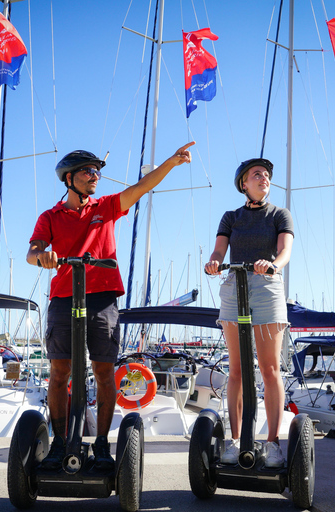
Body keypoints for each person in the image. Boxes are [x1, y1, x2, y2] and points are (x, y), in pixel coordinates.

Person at [28, 141, 195, 471]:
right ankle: (60, 444)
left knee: (105, 373)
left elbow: (142, 187)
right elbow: (32, 251)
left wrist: (171, 162)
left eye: (97, 173)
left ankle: (102, 444)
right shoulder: (50, 216)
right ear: (69, 178)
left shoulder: (105, 208)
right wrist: (42, 257)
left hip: (103, 299)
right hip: (63, 299)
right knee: (60, 373)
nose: (95, 177)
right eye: (89, 172)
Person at [203, 158, 294, 468]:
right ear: (244, 183)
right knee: (237, 370)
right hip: (234, 286)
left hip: (267, 286)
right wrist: (214, 262)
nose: (263, 178)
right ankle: (234, 441)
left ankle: (273, 444)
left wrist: (273, 265)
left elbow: (285, 251)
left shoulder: (280, 214)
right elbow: (219, 250)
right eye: (257, 174)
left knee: (269, 369)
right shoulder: (231, 217)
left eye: (267, 175)